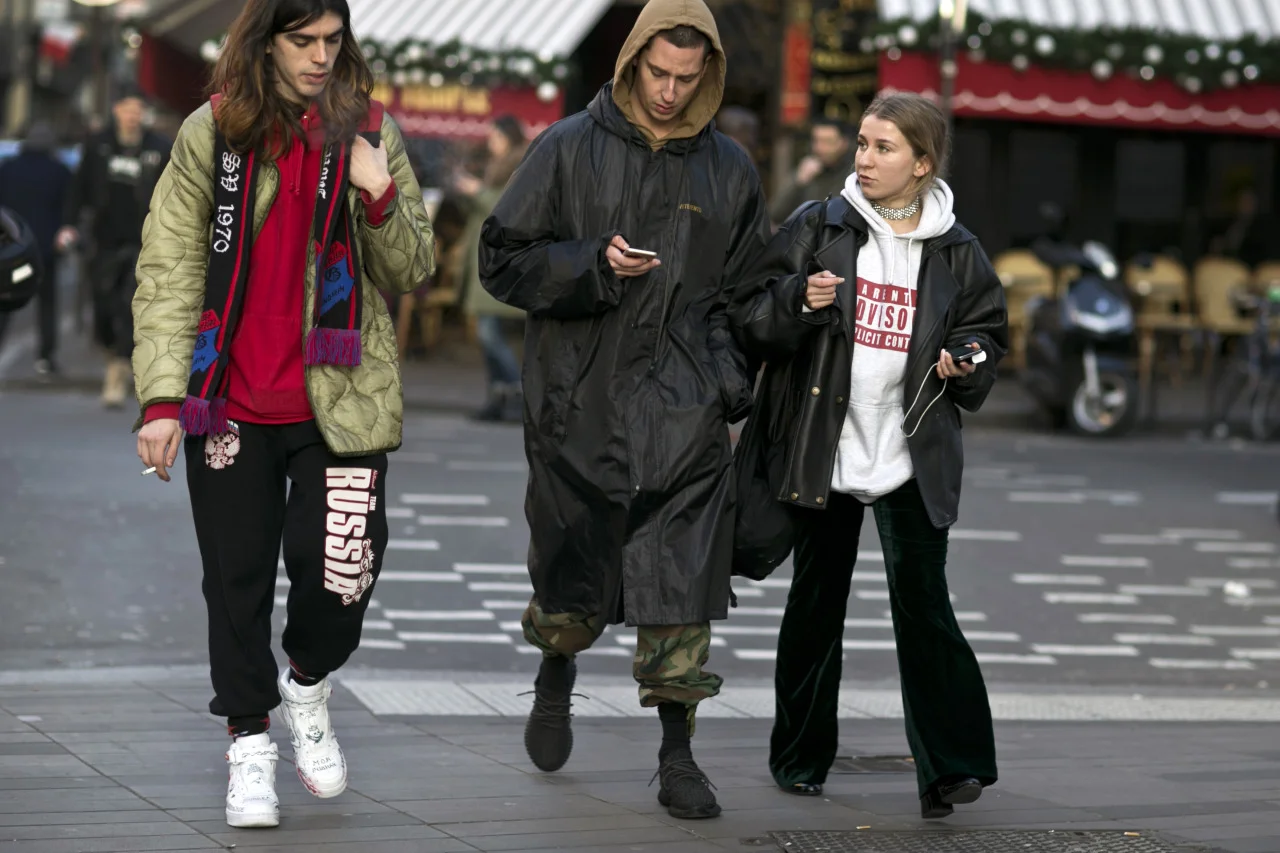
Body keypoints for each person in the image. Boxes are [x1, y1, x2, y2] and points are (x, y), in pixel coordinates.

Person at [131, 0, 434, 830]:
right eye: (303, 41)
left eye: (333, 40)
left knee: (342, 570)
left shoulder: (368, 132)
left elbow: (412, 267)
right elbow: (169, 265)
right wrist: (161, 399)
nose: (320, 56)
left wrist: (379, 193)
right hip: (228, 397)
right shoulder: (213, 132)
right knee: (235, 584)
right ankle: (250, 745)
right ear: (266, 44)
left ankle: (306, 682)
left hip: (339, 397)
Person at [478, 0, 770, 820]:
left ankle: (678, 756)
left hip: (686, 413)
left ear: (707, 73)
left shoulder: (730, 170)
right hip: (582, 406)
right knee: (572, 578)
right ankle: (556, 669)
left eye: (687, 77)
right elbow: (500, 259)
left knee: (681, 584)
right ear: (634, 59)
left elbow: (748, 291)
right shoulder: (567, 146)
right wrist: (591, 264)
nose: (670, 92)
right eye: (659, 73)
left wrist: (726, 383)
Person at [730, 92, 1007, 819]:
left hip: (911, 452)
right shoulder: (818, 225)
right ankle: (798, 757)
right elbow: (751, 312)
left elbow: (986, 332)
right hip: (827, 447)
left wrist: (966, 358)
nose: (865, 158)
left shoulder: (957, 248)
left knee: (925, 610)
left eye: (883, 147)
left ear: (921, 163)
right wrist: (800, 300)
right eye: (861, 143)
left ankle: (951, 767)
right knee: (815, 605)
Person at [60, 90, 171, 406]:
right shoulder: (98, 145)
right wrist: (69, 224)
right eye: (127, 109)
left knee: (131, 305)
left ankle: (117, 373)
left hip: (144, 240)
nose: (132, 116)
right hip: (104, 239)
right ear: (116, 111)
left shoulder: (159, 147)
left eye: (138, 110)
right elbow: (79, 188)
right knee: (103, 305)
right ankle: (114, 354)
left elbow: (173, 191)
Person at [456, 115, 528, 422]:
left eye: (495, 137)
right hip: (486, 258)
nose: (491, 143)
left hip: (499, 260)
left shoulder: (520, 166)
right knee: (487, 334)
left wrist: (477, 192)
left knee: (488, 334)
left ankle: (517, 392)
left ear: (508, 137)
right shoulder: (496, 166)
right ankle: (498, 399)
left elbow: (505, 209)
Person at [0, 122, 72, 375]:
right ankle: (46, 357)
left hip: (10, 250)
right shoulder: (60, 171)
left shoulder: (8, 169)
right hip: (45, 250)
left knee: (6, 301)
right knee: (47, 304)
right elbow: (67, 210)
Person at [768, 117, 855, 227]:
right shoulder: (808, 169)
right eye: (816, 141)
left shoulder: (854, 173)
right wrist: (798, 181)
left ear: (844, 143)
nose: (820, 148)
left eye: (828, 142)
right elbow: (775, 213)